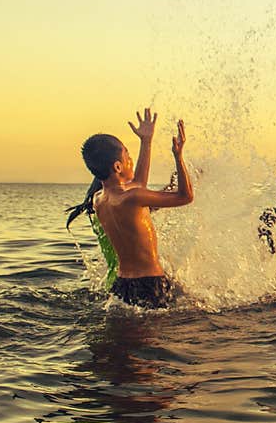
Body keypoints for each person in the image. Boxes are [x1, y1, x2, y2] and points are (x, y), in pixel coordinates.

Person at [66, 108, 194, 308]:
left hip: (122, 284)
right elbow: (185, 196)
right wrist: (178, 156)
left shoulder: (99, 200)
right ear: (118, 167)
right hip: (150, 284)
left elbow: (138, 184)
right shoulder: (132, 197)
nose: (131, 160)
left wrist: (146, 142)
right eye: (128, 155)